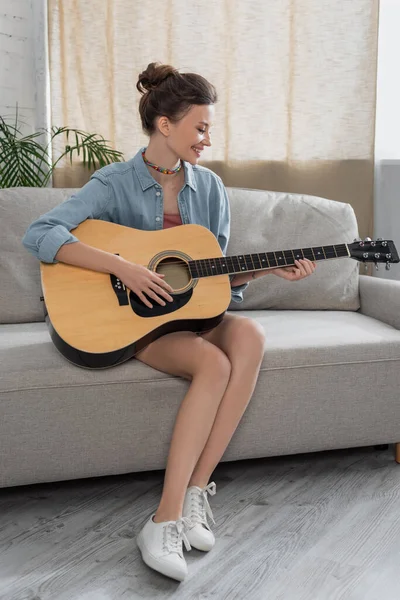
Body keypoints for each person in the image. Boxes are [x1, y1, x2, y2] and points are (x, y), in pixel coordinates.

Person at [22, 61, 317, 582]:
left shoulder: (212, 189)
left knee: (249, 335)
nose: (207, 139)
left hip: (188, 316)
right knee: (211, 364)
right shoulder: (113, 182)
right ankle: (162, 520)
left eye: (209, 129)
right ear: (166, 125)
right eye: (200, 127)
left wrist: (268, 268)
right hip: (133, 322)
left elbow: (213, 280)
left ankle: (196, 493)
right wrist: (124, 269)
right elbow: (41, 233)